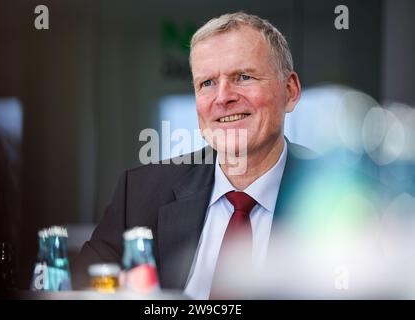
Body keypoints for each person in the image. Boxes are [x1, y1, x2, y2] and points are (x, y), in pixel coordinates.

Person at [72, 12, 317, 298]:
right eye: (207, 83)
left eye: (243, 77)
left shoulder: (336, 193)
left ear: (290, 91)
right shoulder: (140, 193)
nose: (223, 97)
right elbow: (79, 288)